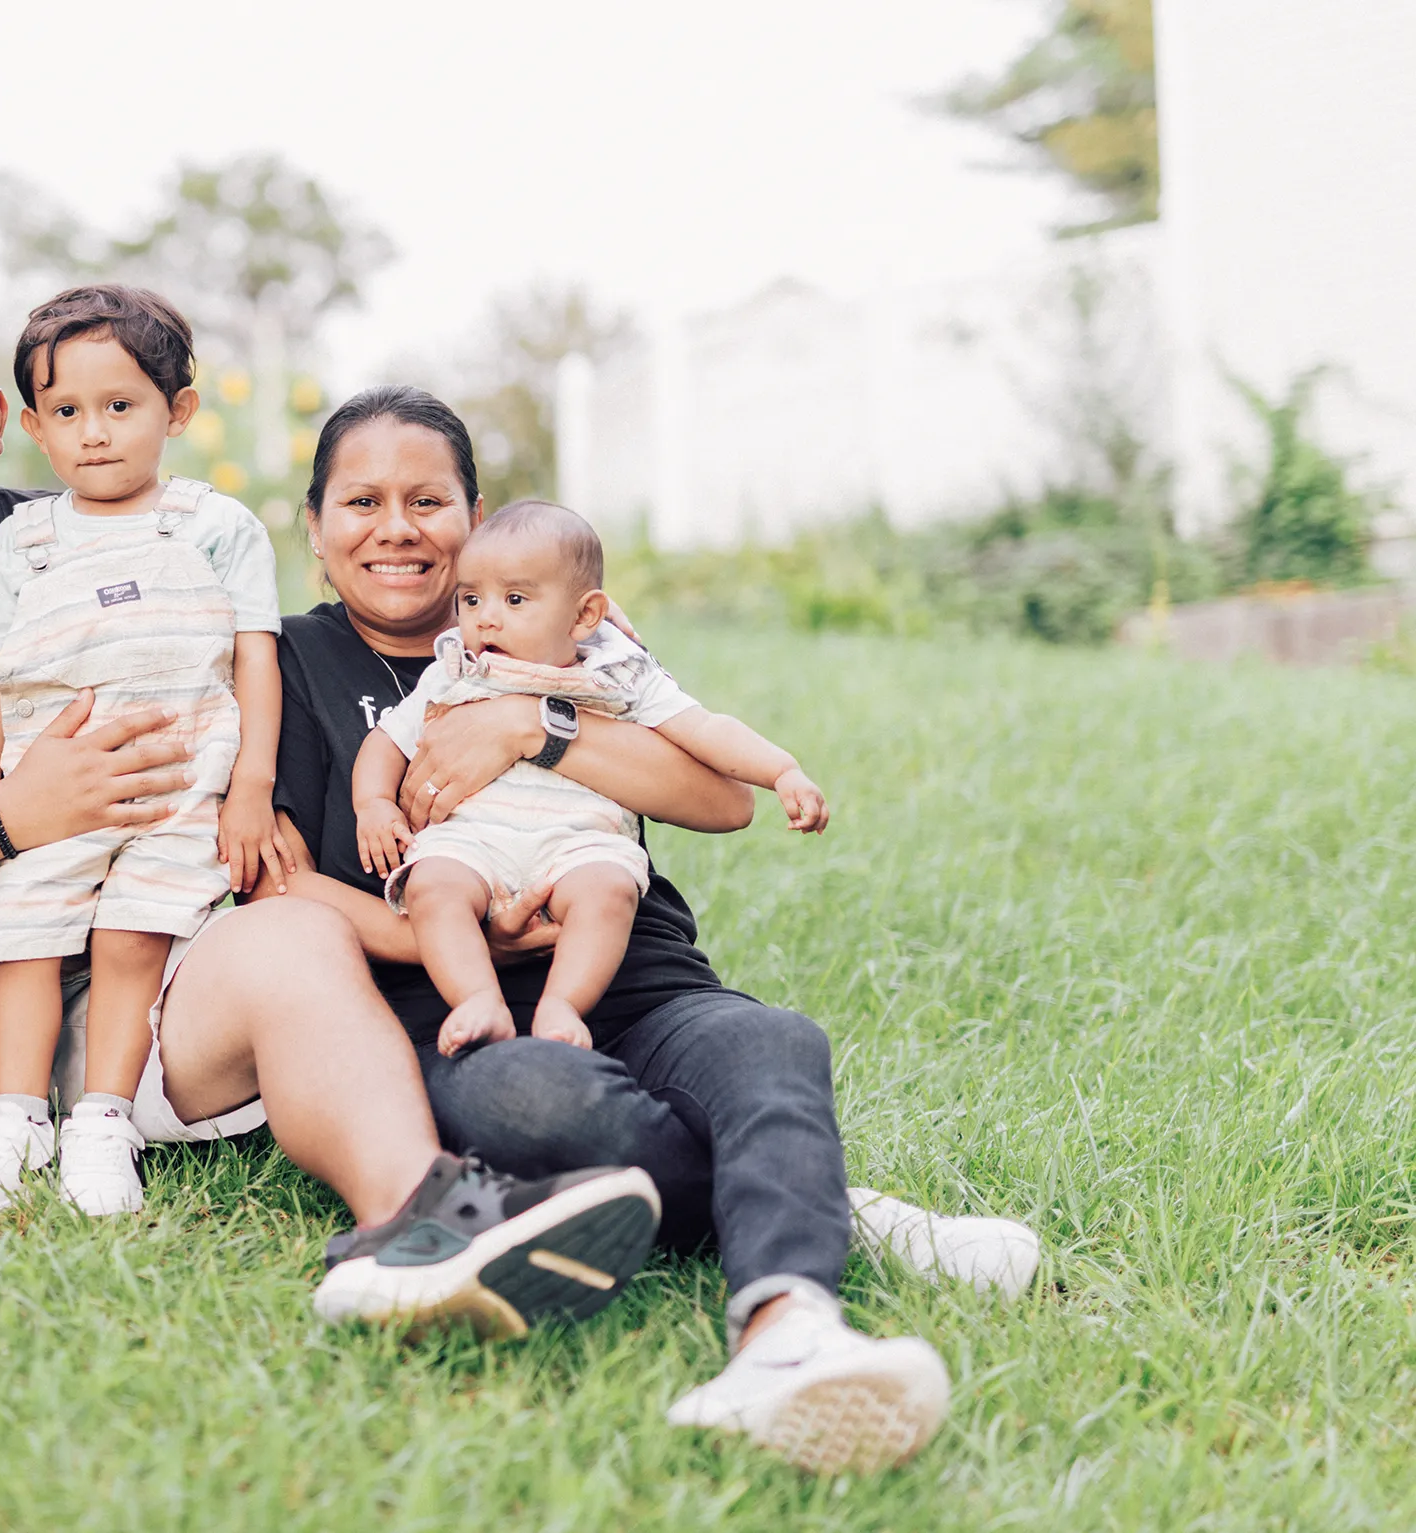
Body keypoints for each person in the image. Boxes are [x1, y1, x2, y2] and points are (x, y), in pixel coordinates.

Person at [0, 262, 663, 1361]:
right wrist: (5, 818)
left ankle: (417, 1220)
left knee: (294, 932)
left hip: (155, 975)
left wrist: (546, 658)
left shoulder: (113, 526)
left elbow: (323, 626)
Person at [259, 384, 1040, 1476]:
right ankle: (811, 1198)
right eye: (359, 501)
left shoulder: (561, 622)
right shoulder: (283, 661)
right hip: (450, 1002)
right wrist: (453, 932)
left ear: (474, 515)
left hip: (631, 965)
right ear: (312, 524)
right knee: (543, 1107)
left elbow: (718, 801)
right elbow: (273, 882)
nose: (395, 528)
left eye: (427, 499)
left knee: (773, 1045)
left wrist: (534, 727)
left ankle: (785, 1328)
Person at [0, 284, 286, 1217]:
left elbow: (255, 659)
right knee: (26, 941)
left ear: (179, 412)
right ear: (37, 430)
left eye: (120, 406)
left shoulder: (218, 527)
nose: (94, 432)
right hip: (46, 786)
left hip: (179, 785)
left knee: (134, 938)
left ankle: (102, 1118)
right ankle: (10, 1123)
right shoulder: (24, 540)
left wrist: (251, 787)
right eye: (68, 412)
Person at [353, 498, 828, 1059]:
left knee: (607, 892)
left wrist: (781, 770)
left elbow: (704, 728)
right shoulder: (455, 669)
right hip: (472, 841)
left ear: (583, 616)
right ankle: (478, 999)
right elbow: (387, 739)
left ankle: (564, 1005)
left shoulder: (618, 674)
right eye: (471, 598)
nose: (485, 617)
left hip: (580, 843)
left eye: (514, 600)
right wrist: (375, 804)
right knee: (433, 887)